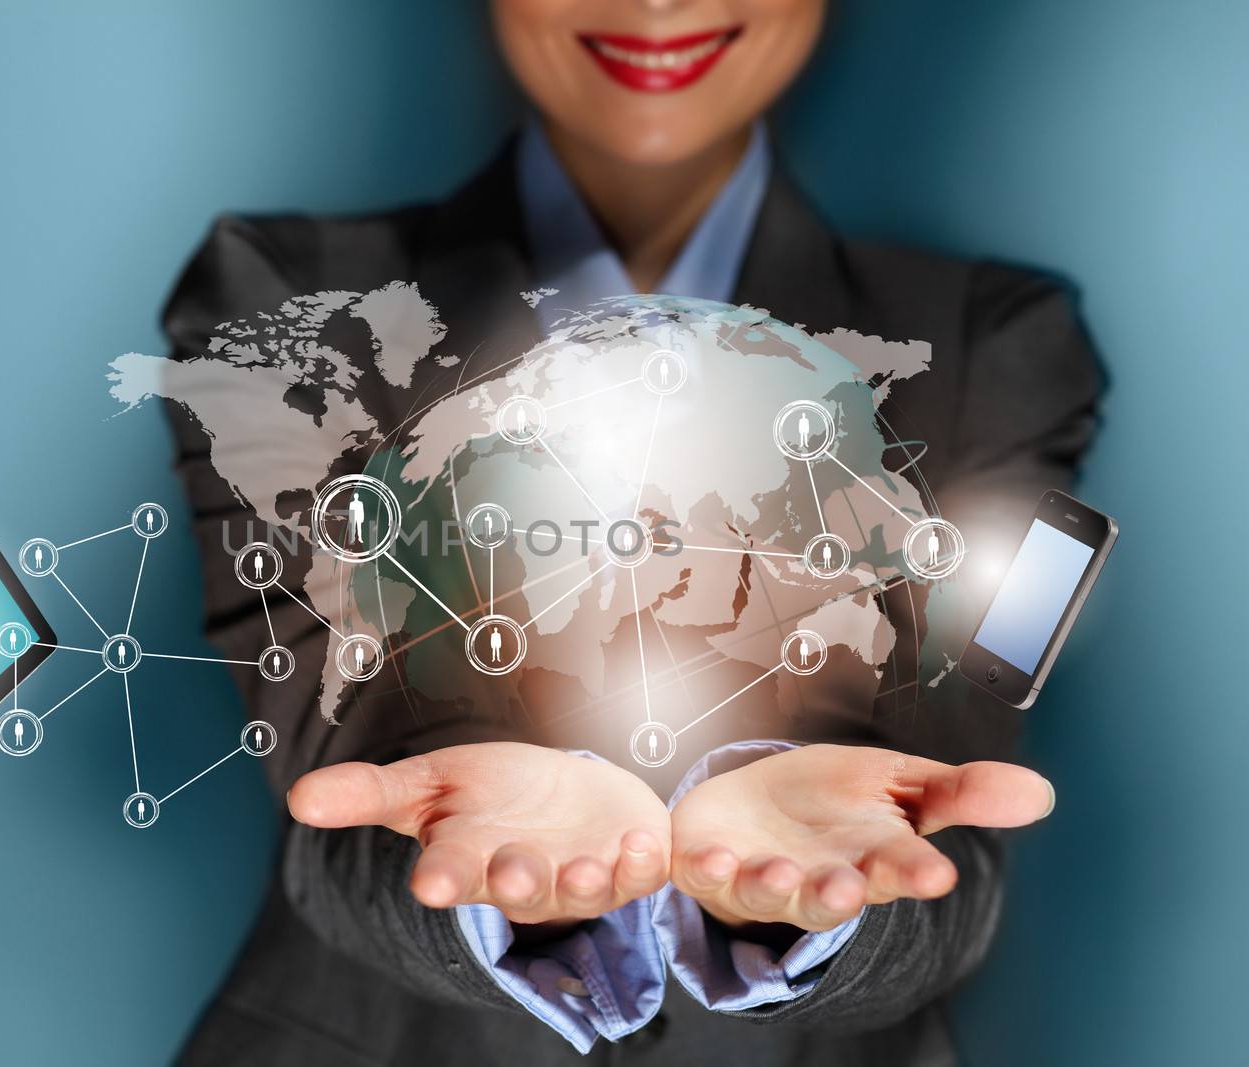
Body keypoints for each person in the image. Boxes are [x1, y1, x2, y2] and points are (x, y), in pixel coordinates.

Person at [160, 0, 1100, 1062]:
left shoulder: (997, 346)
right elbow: (339, 764)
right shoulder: (285, 308)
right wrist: (502, 870)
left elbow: (948, 813)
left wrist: (798, 902)